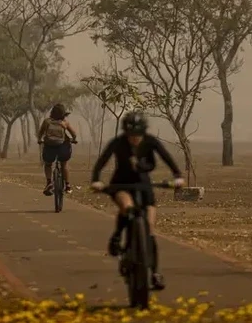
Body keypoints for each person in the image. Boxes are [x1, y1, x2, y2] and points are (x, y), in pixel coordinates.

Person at [89, 110, 185, 291]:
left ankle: (155, 273)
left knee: (149, 230)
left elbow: (167, 158)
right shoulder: (118, 143)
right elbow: (102, 162)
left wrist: (178, 176)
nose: (135, 139)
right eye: (131, 135)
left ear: (144, 132)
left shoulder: (150, 141)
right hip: (121, 184)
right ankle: (117, 236)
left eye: (138, 135)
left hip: (144, 185)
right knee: (127, 207)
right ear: (126, 132)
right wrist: (96, 180)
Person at [36, 103, 79, 195]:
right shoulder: (64, 123)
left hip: (49, 146)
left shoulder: (47, 122)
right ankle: (67, 186)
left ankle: (49, 183)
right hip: (62, 147)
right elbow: (74, 134)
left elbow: (40, 133)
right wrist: (74, 140)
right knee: (64, 164)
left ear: (52, 112)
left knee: (48, 164)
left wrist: (39, 140)